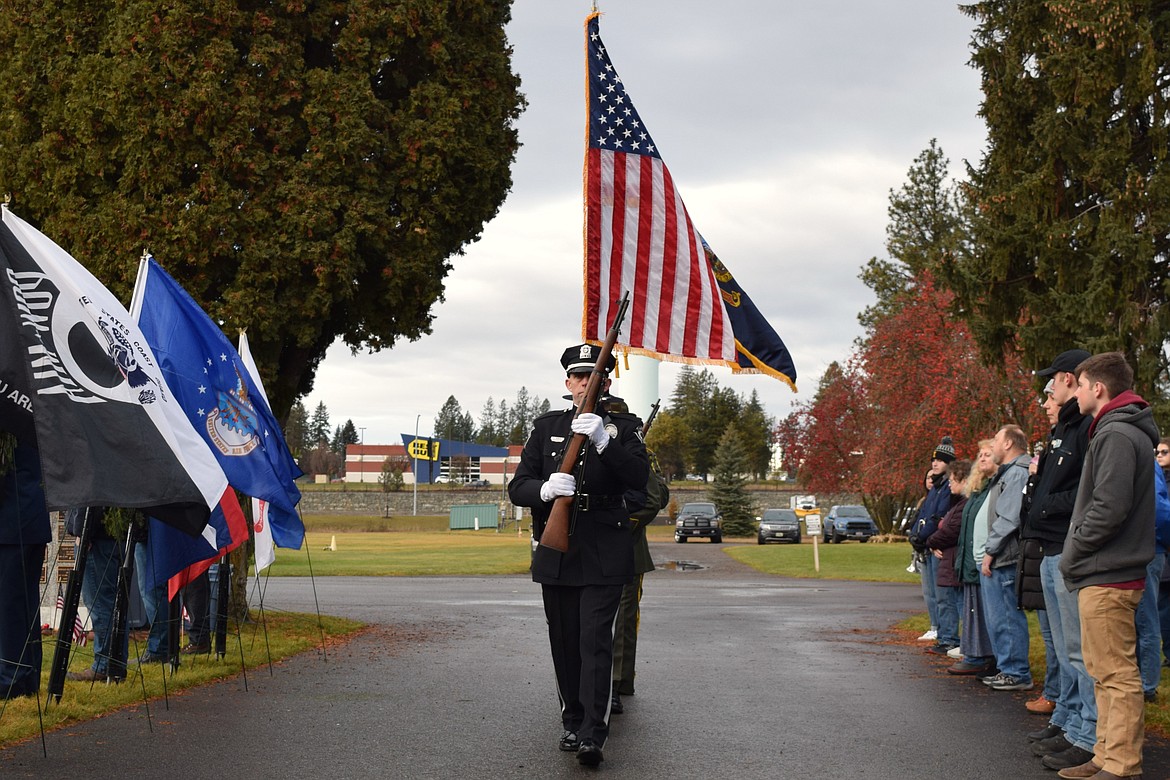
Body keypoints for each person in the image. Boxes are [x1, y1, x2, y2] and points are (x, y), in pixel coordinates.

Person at [508, 343, 649, 767]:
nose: (585, 382)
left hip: (605, 545)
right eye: (578, 375)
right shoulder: (547, 426)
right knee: (564, 639)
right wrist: (545, 491)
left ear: (605, 382)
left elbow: (639, 479)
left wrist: (605, 441)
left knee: (594, 641)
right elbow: (519, 487)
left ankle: (592, 733)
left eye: (594, 375)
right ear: (568, 382)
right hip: (558, 547)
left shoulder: (624, 428)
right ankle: (571, 720)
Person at [1057, 351, 1159, 780]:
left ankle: (1121, 766)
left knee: (1115, 674)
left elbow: (1108, 508)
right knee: (1103, 672)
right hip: (1105, 570)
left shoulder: (1117, 433)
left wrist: (1072, 552)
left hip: (1110, 573)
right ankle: (1104, 756)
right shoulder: (1117, 430)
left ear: (1097, 388)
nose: (1075, 393)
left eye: (1079, 385)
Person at [1020, 350, 1097, 772]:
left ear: (1070, 379)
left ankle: (1086, 732)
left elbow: (1085, 490)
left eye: (1051, 387)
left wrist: (1044, 505)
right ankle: (1069, 720)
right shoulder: (1065, 428)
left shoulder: (1086, 427)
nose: (1047, 396)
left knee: (1079, 650)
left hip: (1066, 547)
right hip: (1050, 547)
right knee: (1066, 648)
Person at [980, 424, 1033, 691]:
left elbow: (1009, 517)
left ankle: (1016, 672)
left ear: (1009, 444)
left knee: (1007, 617)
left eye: (997, 439)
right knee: (999, 616)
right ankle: (1008, 669)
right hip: (1002, 555)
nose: (993, 444)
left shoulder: (1016, 475)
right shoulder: (1009, 473)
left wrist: (990, 551)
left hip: (1005, 556)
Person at [0, 437, 51, 700]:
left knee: (9, 607)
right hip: (31, 518)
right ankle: (27, 677)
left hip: (11, 522)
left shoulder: (9, 417)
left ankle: (10, 679)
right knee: (26, 605)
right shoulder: (28, 414)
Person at [948, 439, 998, 676]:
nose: (982, 458)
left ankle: (983, 655)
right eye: (980, 454)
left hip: (985, 559)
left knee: (982, 611)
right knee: (972, 609)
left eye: (988, 453)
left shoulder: (994, 487)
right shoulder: (977, 490)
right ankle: (975, 652)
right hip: (971, 558)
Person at [66, 507, 130, 683]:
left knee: (101, 603)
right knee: (114, 603)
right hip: (114, 532)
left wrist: (82, 530)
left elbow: (88, 492)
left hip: (96, 535)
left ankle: (105, 665)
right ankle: (116, 664)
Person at [909, 437, 957, 642]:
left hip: (938, 547)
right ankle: (941, 633)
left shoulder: (947, 487)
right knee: (932, 594)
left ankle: (949, 637)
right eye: (933, 460)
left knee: (944, 596)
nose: (934, 463)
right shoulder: (936, 487)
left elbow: (939, 517)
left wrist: (924, 538)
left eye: (940, 460)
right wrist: (914, 536)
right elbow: (923, 515)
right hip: (928, 546)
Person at [925, 459, 972, 655]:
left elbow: (951, 529)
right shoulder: (956, 502)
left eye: (953, 480)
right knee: (946, 600)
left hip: (954, 558)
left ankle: (957, 641)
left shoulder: (963, 504)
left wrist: (931, 541)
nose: (950, 483)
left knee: (956, 602)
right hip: (948, 556)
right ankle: (950, 638)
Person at [1157, 438, 1170, 667]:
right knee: (1163, 607)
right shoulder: (1159, 478)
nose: (1159, 455)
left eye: (1164, 451)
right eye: (1157, 452)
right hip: (1163, 551)